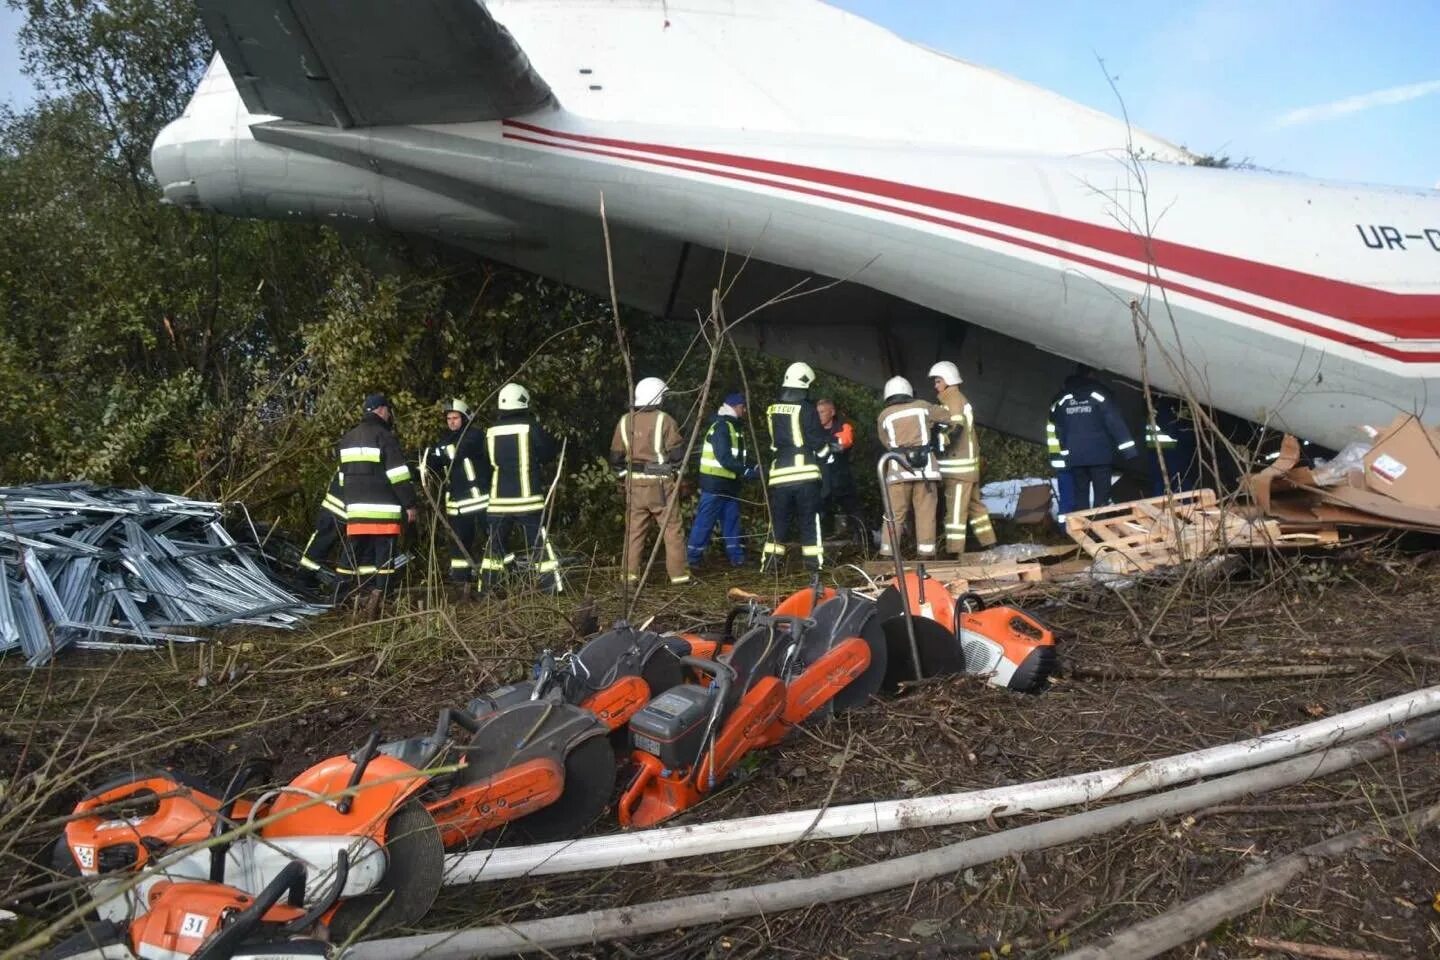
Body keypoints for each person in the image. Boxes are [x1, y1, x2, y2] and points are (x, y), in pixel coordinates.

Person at [478, 382, 564, 596]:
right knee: (538, 545)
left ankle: (489, 589)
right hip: (527, 500)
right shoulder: (530, 427)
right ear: (524, 401)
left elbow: (486, 462)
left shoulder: (490, 431)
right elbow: (546, 453)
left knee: (495, 548)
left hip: (498, 501)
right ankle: (551, 587)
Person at [336, 393, 417, 617]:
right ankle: (382, 597)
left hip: (356, 510)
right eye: (388, 410)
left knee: (353, 554)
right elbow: (398, 475)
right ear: (381, 410)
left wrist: (350, 505)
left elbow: (342, 478)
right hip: (383, 512)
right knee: (384, 557)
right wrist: (410, 505)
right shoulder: (385, 437)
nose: (389, 414)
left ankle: (341, 596)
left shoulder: (347, 438)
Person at [611, 376, 691, 586]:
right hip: (660, 485)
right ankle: (679, 577)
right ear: (658, 397)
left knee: (634, 532)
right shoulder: (665, 420)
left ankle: (629, 577)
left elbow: (616, 459)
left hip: (633, 485)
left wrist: (624, 479)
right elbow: (676, 457)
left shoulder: (624, 421)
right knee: (672, 530)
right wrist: (677, 475)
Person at [761, 361, 831, 573]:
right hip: (805, 475)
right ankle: (814, 566)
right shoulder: (807, 409)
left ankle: (770, 566)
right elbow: (815, 439)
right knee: (809, 521)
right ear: (805, 384)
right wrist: (828, 455)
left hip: (779, 475)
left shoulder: (772, 409)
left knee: (779, 523)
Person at [875, 376, 951, 559]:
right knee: (925, 513)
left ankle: (888, 552)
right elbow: (947, 417)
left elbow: (885, 442)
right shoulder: (923, 406)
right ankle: (926, 554)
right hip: (925, 470)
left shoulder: (884, 416)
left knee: (894, 514)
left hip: (898, 471)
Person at [1050, 365, 1138, 513]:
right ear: (1092, 376)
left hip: (1075, 457)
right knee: (1102, 498)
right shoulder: (1100, 396)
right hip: (1100, 457)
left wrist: (1065, 452)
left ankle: (1084, 532)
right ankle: (1099, 530)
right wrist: (1130, 452)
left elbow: (1057, 428)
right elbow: (1115, 423)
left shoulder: (1063, 400)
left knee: (1081, 497)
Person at [928, 361, 995, 553]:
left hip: (958, 470)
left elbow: (956, 428)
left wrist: (939, 442)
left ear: (948, 381)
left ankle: (955, 551)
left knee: (955, 513)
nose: (935, 385)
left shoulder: (952, 399)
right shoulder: (956, 398)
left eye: (938, 381)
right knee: (976, 509)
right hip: (968, 468)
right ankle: (990, 544)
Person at [423, 398, 490, 589]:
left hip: (479, 501)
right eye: (449, 418)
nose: (451, 422)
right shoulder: (444, 441)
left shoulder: (474, 436)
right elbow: (431, 462)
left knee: (492, 538)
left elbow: (455, 453)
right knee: (459, 545)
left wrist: (437, 453)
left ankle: (500, 578)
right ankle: (461, 583)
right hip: (457, 505)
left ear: (465, 418)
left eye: (455, 418)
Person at [688, 392, 758, 568]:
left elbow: (736, 457)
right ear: (734, 407)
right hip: (715, 485)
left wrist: (752, 467)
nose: (745, 411)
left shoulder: (733, 426)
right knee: (705, 523)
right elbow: (725, 458)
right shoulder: (722, 427)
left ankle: (737, 558)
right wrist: (747, 471)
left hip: (728, 485)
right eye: (743, 407)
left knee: (732, 522)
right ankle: (691, 559)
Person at [816, 398, 864, 543]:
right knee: (820, 511)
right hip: (822, 479)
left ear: (832, 412)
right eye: (817, 412)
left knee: (853, 509)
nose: (819, 415)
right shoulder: (813, 429)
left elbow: (844, 442)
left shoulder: (844, 427)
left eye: (822, 412)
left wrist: (825, 444)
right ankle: (820, 542)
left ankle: (863, 540)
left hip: (841, 478)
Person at [298, 470, 349, 582]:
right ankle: (303, 578)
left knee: (320, 546)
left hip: (335, 508)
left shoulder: (348, 455)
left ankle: (305, 578)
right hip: (338, 510)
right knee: (320, 547)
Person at [1143, 394, 1195, 496]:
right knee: (1179, 481)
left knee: (1163, 482)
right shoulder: (1166, 404)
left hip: (1163, 449)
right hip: (1169, 450)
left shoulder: (1157, 402)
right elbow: (1172, 429)